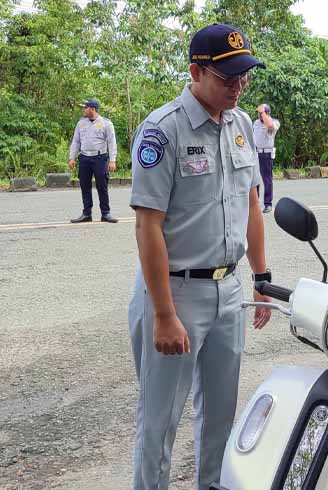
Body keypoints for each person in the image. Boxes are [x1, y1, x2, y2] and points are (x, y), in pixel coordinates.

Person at [127, 23, 273, 490]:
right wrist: (165, 314)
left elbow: (251, 203)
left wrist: (261, 277)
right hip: (176, 293)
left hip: (227, 291)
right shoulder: (162, 130)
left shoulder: (242, 125)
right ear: (195, 71)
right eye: (227, 78)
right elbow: (147, 225)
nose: (238, 87)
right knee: (159, 422)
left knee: (221, 416)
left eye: (244, 77)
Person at [68, 98, 118, 223]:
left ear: (92, 109)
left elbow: (112, 142)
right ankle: (86, 213)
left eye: (85, 107)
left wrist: (112, 160)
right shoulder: (81, 123)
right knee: (85, 186)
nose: (83, 110)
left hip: (100, 158)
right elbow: (76, 141)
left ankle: (106, 213)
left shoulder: (106, 123)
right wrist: (71, 157)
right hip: (84, 158)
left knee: (102, 186)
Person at [253, 103, 279, 213]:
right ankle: (255, 204)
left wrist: (263, 112)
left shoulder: (274, 122)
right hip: (255, 153)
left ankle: (268, 204)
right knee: (255, 180)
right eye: (259, 114)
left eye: (261, 113)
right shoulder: (255, 123)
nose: (259, 116)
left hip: (266, 154)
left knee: (267, 180)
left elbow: (269, 126)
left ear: (267, 113)